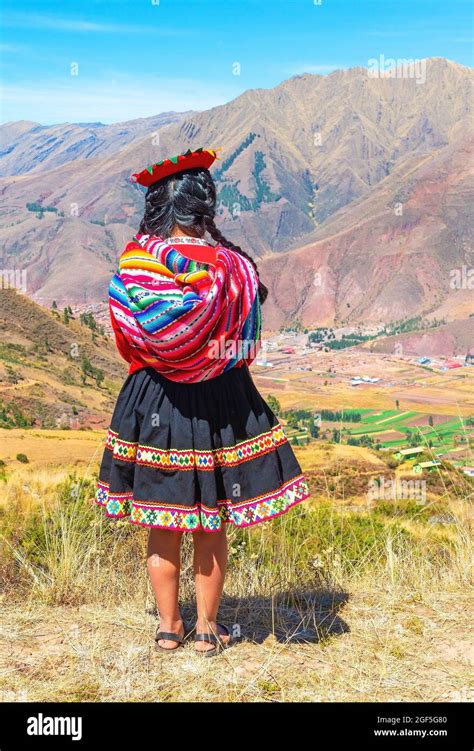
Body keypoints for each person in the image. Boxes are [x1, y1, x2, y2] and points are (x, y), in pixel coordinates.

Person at [95, 147, 310, 656]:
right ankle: (209, 630)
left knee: (162, 520)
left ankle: (169, 628)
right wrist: (209, 362)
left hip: (155, 402)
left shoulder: (134, 266)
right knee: (210, 521)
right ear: (204, 206)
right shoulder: (236, 268)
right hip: (221, 402)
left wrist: (170, 362)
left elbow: (128, 340)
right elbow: (246, 342)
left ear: (156, 207)